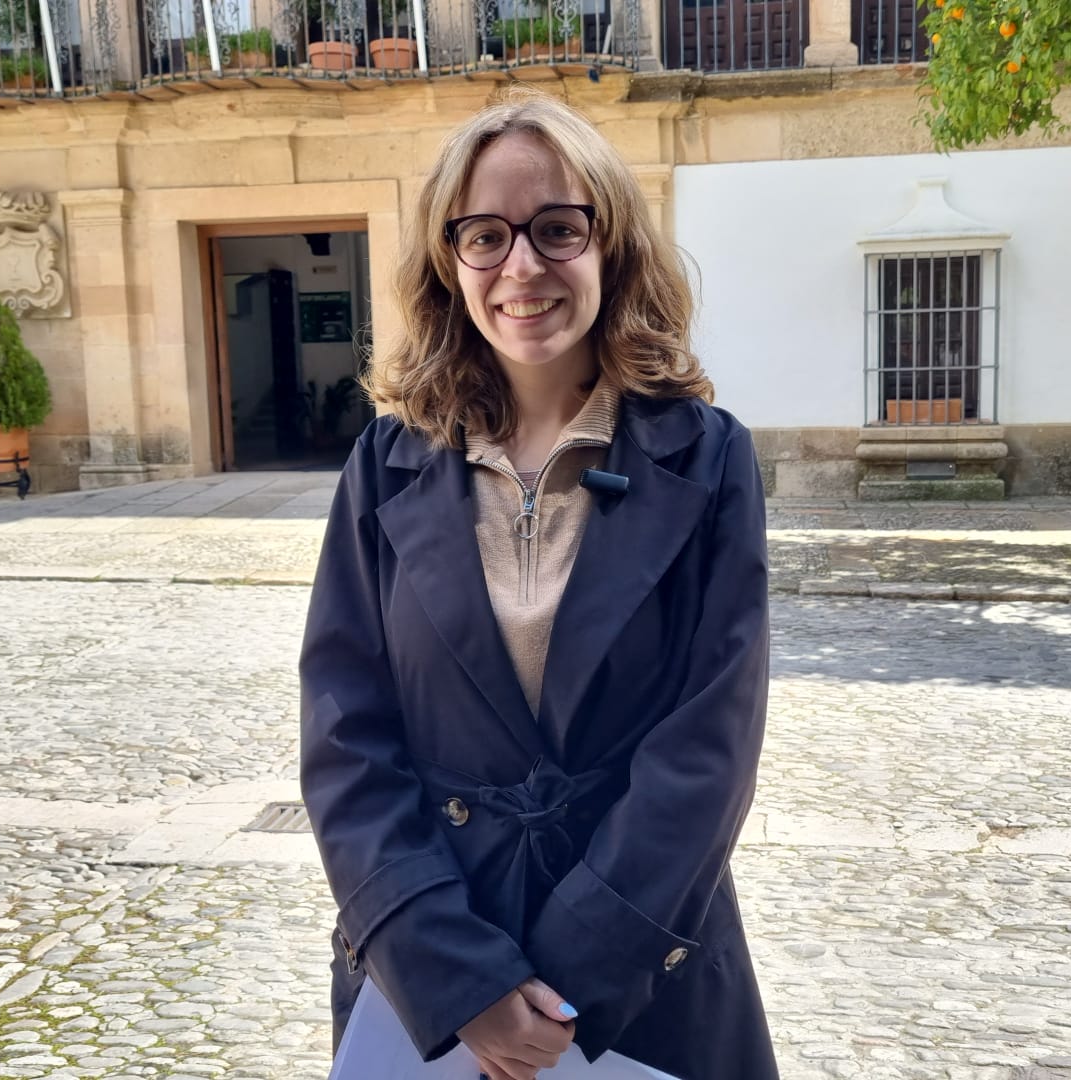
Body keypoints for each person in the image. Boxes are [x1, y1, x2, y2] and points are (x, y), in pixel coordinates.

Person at [299, 89, 778, 1080]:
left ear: (610, 244)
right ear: (450, 260)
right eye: (486, 235)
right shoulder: (387, 462)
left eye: (558, 228)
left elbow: (708, 748)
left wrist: (564, 992)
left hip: (640, 974)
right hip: (429, 989)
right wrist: (460, 983)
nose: (523, 267)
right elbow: (345, 736)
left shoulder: (707, 458)